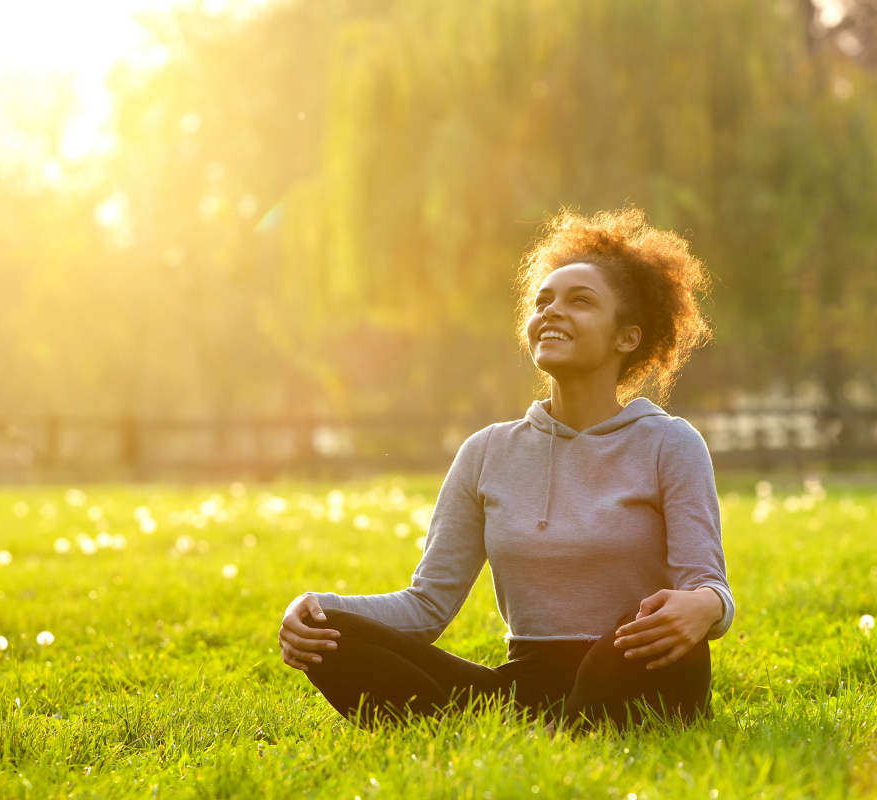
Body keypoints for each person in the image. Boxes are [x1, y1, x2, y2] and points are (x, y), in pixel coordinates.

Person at [278, 206, 735, 734]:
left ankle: (553, 728)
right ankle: (557, 727)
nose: (553, 311)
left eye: (580, 302)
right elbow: (427, 605)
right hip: (525, 684)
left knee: (629, 643)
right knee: (328, 633)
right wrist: (312, 607)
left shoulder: (670, 443)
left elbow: (707, 586)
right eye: (544, 301)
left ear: (626, 338)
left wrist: (704, 607)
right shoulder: (487, 451)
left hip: (637, 663)